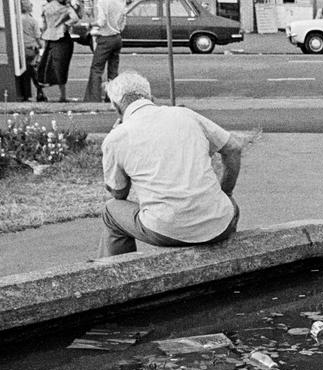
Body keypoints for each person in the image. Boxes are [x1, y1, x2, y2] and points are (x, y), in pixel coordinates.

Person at [98, 71, 242, 258]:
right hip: (219, 223)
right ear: (150, 96)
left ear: (116, 107)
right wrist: (226, 192)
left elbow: (118, 193)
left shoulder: (116, 138)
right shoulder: (185, 115)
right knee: (226, 205)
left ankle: (115, 275)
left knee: (110, 211)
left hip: (167, 229)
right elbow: (233, 148)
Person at [84, 0, 126, 103]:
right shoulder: (120, 2)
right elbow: (123, 22)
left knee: (96, 69)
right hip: (117, 36)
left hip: (105, 37)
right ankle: (112, 97)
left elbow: (101, 21)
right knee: (113, 70)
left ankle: (93, 98)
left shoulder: (103, 2)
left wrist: (90, 25)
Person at [39, 0, 79, 102]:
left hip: (49, 37)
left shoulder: (46, 7)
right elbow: (75, 18)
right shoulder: (65, 8)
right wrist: (66, 24)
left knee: (46, 65)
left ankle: (40, 92)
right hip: (62, 38)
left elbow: (44, 24)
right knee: (62, 67)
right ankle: (63, 95)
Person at [16, 0, 46, 101]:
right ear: (25, 7)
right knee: (34, 72)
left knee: (24, 73)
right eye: (29, 4)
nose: (32, 5)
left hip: (20, 50)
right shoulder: (32, 21)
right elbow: (38, 36)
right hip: (31, 49)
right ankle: (40, 91)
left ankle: (24, 95)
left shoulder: (16, 19)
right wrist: (42, 46)